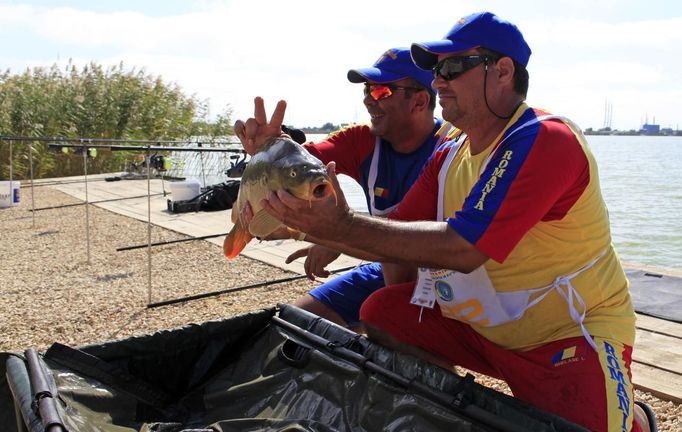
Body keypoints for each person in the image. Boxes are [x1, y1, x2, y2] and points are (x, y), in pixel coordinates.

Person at [253, 12, 654, 432]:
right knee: (384, 312)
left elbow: (463, 249)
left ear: (502, 72)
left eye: (451, 68)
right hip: (483, 326)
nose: (438, 80)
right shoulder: (449, 154)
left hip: (565, 333)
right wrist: (297, 216)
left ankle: (635, 417)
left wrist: (337, 227)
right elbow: (395, 237)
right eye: (435, 70)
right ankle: (444, 409)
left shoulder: (544, 138)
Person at [231, 47, 456, 329]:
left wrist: (336, 235)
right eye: (366, 90)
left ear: (420, 101)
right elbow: (301, 166)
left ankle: (412, 350)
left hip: (447, 279)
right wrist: (273, 147)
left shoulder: (454, 148)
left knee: (391, 321)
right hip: (384, 268)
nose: (368, 101)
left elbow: (454, 244)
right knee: (295, 324)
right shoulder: (362, 140)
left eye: (380, 92)